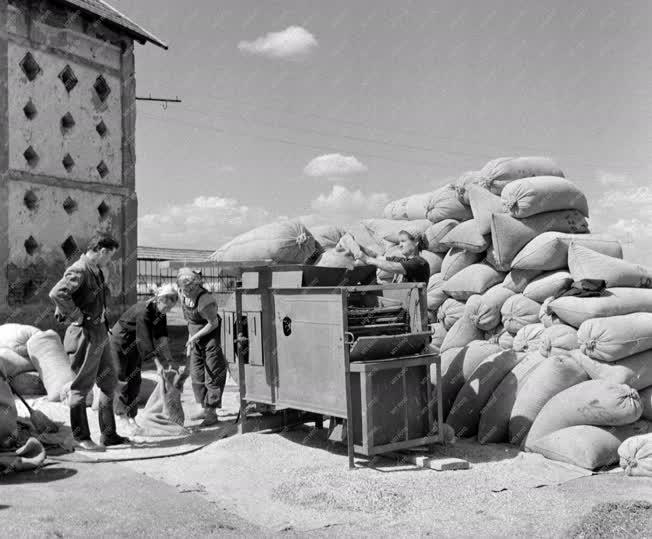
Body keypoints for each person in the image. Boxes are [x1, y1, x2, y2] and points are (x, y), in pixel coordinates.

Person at [49, 232, 129, 451]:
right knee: (80, 388)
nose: (109, 260)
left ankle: (109, 435)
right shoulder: (79, 269)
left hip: (100, 332)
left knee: (109, 383)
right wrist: (79, 317)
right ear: (101, 251)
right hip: (85, 334)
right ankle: (81, 437)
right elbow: (57, 293)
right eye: (109, 255)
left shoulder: (95, 270)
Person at [110, 284, 182, 431]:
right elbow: (145, 340)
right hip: (120, 341)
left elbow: (161, 339)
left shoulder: (161, 314)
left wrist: (169, 360)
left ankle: (131, 417)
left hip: (135, 343)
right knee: (122, 379)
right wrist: (158, 365)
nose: (167, 310)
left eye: (170, 308)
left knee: (135, 379)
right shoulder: (144, 311)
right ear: (159, 299)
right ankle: (121, 417)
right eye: (166, 306)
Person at [176, 268, 227, 427]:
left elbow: (213, 323)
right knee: (197, 374)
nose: (187, 291)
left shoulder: (205, 300)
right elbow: (189, 319)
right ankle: (203, 407)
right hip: (195, 338)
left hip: (211, 337)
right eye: (185, 289)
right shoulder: (182, 294)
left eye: (190, 288)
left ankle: (211, 412)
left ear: (197, 285)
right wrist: (190, 338)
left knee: (212, 373)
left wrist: (195, 337)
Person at [355, 229, 430, 283]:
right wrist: (355, 245)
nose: (400, 245)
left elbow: (393, 267)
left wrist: (368, 260)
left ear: (416, 242)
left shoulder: (420, 263)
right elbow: (377, 257)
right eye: (399, 242)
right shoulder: (404, 261)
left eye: (403, 241)